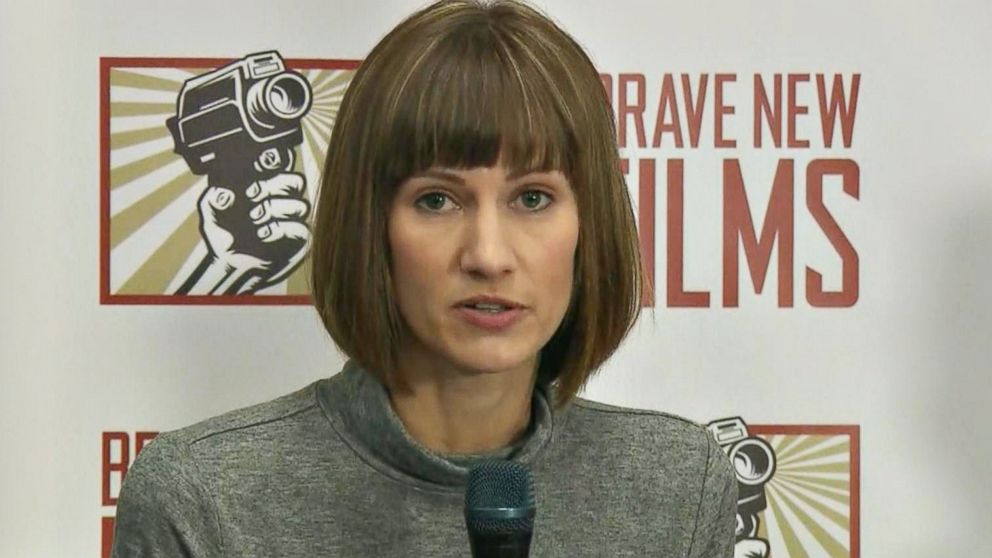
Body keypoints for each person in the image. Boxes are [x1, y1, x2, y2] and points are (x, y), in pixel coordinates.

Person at [111, 1, 737, 556]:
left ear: (588, 224)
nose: (489, 256)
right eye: (437, 200)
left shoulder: (678, 489)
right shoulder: (203, 501)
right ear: (370, 224)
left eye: (534, 198)